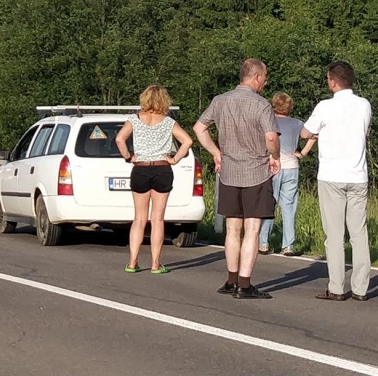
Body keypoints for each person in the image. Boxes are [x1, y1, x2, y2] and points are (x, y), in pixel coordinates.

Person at [193, 59, 281, 300]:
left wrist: (215, 152)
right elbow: (271, 138)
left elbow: (199, 128)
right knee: (252, 229)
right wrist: (275, 157)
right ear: (256, 77)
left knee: (232, 228)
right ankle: (244, 284)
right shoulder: (261, 105)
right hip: (256, 171)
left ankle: (231, 280)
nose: (265, 81)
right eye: (265, 76)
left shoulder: (220, 101)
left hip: (229, 171)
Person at [302, 61, 372, 301]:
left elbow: (304, 132)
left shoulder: (324, 107)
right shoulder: (364, 105)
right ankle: (361, 288)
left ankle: (337, 287)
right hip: (358, 175)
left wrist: (316, 133)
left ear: (332, 81)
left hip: (332, 175)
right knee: (358, 233)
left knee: (334, 235)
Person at [115, 85, 192, 274]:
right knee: (157, 219)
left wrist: (129, 157)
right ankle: (156, 264)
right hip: (162, 168)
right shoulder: (168, 122)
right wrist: (174, 159)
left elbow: (119, 139)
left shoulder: (135, 119)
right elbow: (188, 141)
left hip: (140, 168)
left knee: (139, 218)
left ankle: (133, 262)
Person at [259, 92, 316, 256]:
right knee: (289, 207)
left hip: (273, 165)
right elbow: (312, 135)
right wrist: (302, 153)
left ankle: (263, 243)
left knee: (269, 204)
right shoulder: (297, 123)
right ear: (290, 107)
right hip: (292, 166)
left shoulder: (269, 121)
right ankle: (288, 245)